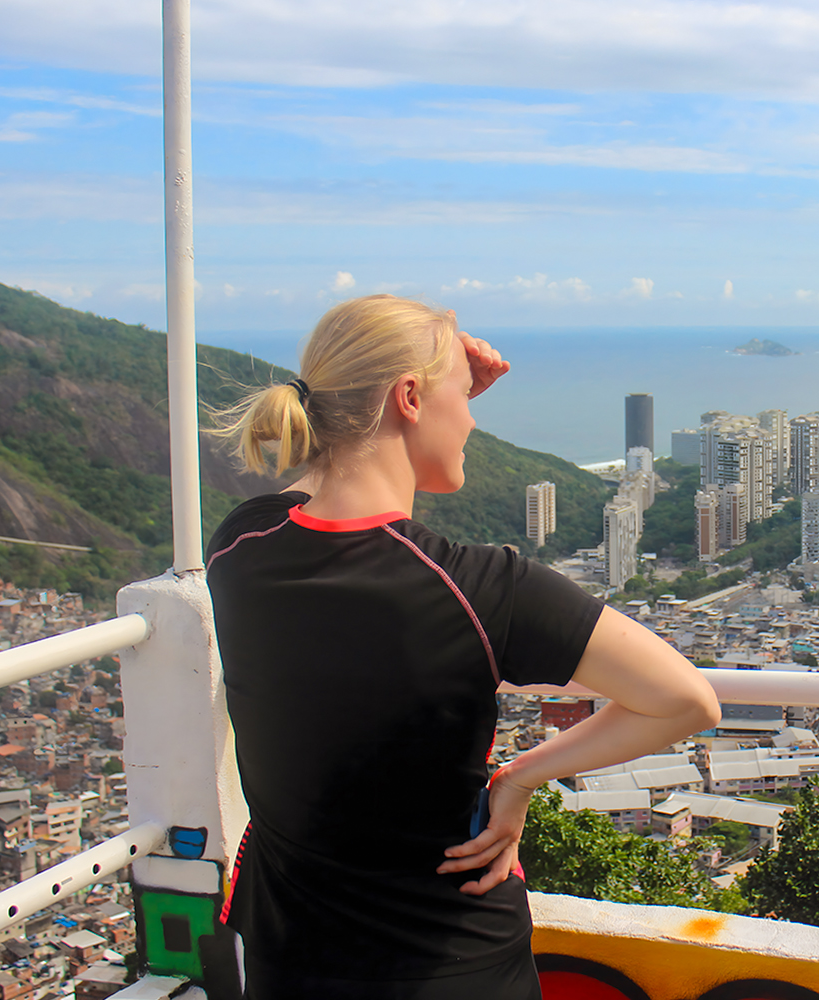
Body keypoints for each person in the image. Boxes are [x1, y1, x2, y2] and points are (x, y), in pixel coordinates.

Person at [206, 295, 721, 1000]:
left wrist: (431, 376)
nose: (474, 416)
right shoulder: (486, 591)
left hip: (284, 964)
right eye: (463, 395)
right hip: (452, 966)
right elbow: (687, 700)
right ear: (410, 397)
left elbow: (317, 496)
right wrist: (518, 779)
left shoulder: (239, 548)